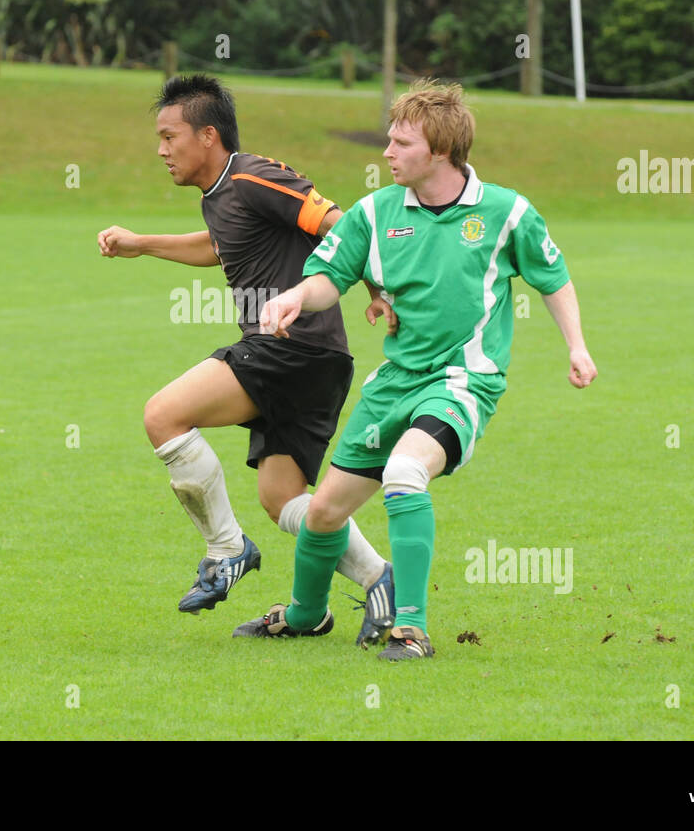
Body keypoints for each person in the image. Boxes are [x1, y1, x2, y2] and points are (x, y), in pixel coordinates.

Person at [234, 80, 598, 660]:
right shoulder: (374, 213)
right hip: (395, 382)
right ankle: (305, 615)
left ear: (440, 151)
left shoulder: (506, 211)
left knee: (406, 471)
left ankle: (411, 627)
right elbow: (333, 275)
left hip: (463, 381)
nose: (387, 152)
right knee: (324, 512)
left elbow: (553, 279)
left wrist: (576, 346)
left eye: (401, 142)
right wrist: (298, 297)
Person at [98, 74, 397, 646]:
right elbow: (218, 246)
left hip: (292, 346)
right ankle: (380, 578)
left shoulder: (255, 175)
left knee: (163, 415)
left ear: (207, 136)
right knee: (282, 499)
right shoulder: (221, 195)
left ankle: (228, 549)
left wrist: (377, 285)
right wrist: (141, 243)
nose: (161, 150)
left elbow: (343, 223)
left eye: (170, 136)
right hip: (314, 358)